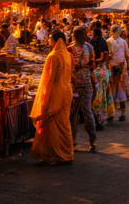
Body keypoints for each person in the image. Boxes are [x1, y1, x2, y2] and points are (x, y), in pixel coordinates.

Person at [30, 31, 74, 164]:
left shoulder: (53, 56)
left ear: (57, 41)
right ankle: (66, 153)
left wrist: (45, 99)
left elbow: (50, 80)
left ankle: (55, 155)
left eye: (50, 39)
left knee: (53, 124)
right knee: (64, 123)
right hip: (67, 92)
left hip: (56, 93)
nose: (49, 42)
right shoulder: (68, 55)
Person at [68, 27, 97, 151]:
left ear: (73, 36)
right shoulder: (90, 48)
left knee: (73, 114)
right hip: (88, 83)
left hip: (74, 85)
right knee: (88, 112)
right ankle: (93, 140)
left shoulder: (69, 48)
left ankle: (72, 141)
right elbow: (93, 66)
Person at [107, 24, 129, 121]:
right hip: (120, 69)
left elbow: (107, 56)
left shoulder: (108, 41)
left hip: (114, 69)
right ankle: (121, 114)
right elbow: (128, 55)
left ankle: (111, 115)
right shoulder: (123, 41)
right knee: (121, 91)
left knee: (112, 91)